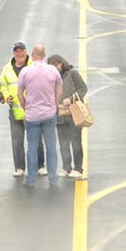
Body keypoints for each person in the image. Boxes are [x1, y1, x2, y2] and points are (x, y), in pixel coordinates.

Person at [17, 46, 64, 191]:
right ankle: (53, 179)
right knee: (51, 147)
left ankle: (30, 179)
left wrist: (26, 108)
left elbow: (19, 94)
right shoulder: (53, 71)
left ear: (32, 55)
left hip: (32, 115)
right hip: (49, 114)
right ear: (44, 55)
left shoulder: (25, 71)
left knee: (32, 147)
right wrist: (54, 108)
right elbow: (58, 93)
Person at [52, 52, 90, 181]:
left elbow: (83, 89)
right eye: (52, 65)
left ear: (62, 64)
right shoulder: (51, 77)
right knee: (63, 143)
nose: (55, 68)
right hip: (60, 114)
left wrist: (71, 99)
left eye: (56, 65)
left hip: (74, 114)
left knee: (75, 141)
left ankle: (78, 169)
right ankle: (66, 167)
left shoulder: (72, 73)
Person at [0, 42, 32, 178]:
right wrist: (7, 97)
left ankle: (39, 166)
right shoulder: (7, 69)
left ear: (26, 51)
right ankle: (19, 167)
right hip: (15, 111)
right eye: (17, 51)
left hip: (32, 110)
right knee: (17, 141)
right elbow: (3, 86)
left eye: (22, 51)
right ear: (13, 53)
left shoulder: (33, 66)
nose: (20, 54)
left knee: (35, 140)